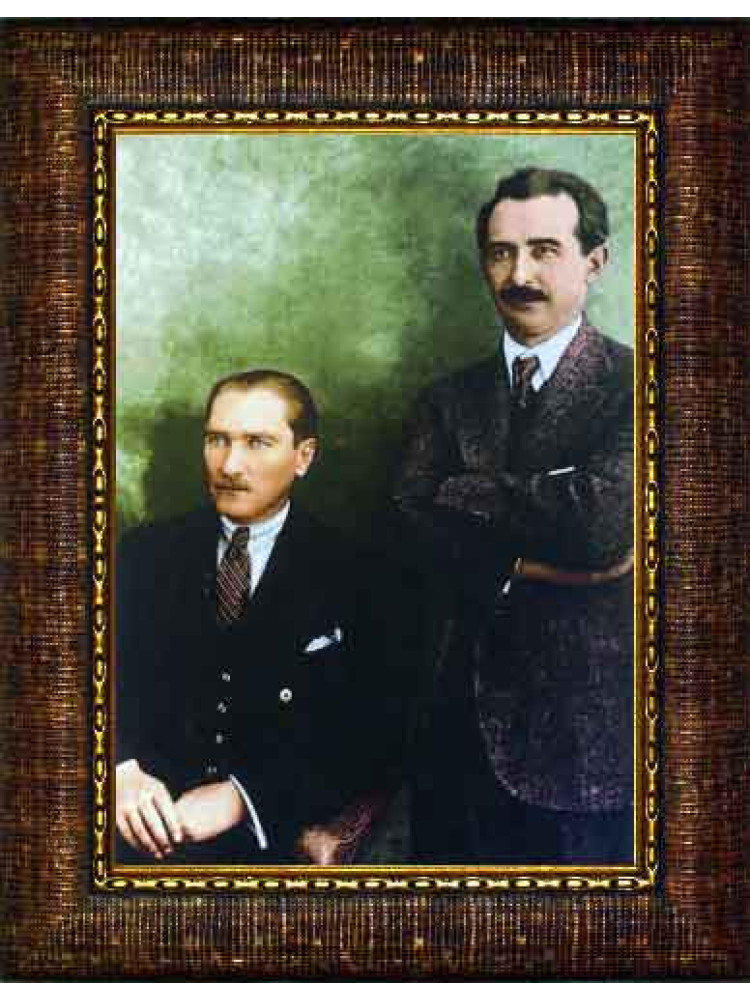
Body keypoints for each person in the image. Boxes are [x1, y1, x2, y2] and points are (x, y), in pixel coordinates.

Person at [391, 167, 635, 865]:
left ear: (594, 261)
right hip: (452, 741)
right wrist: (538, 548)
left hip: (585, 752)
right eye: (501, 253)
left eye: (544, 251)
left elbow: (600, 526)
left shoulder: (642, 387)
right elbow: (409, 527)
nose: (518, 274)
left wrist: (464, 490)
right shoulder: (446, 400)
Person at [115, 369, 414, 865]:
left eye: (258, 442)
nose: (230, 464)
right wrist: (120, 768)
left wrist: (243, 797)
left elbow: (374, 731)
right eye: (217, 440)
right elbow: (86, 678)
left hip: (271, 835)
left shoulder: (360, 573)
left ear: (304, 456)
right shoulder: (143, 553)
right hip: (139, 824)